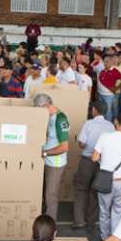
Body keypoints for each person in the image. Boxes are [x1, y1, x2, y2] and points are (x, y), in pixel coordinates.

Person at [92, 111, 121, 240]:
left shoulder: (104, 137)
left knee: (104, 211)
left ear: (115, 121)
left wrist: (105, 162)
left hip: (105, 180)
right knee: (118, 213)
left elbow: (94, 158)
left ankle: (104, 239)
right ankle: (115, 240)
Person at [73, 101, 114, 229]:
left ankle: (79, 220)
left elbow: (81, 144)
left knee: (81, 189)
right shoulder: (111, 126)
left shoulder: (88, 124)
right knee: (95, 192)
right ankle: (91, 222)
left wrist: (84, 144)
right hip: (102, 163)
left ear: (94, 110)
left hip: (87, 160)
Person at [35, 93, 70, 221]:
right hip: (47, 161)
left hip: (55, 164)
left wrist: (45, 153)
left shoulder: (60, 119)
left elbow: (64, 147)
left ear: (46, 105)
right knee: (45, 193)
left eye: (40, 110)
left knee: (51, 196)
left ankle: (50, 227)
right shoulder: (50, 117)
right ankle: (44, 221)